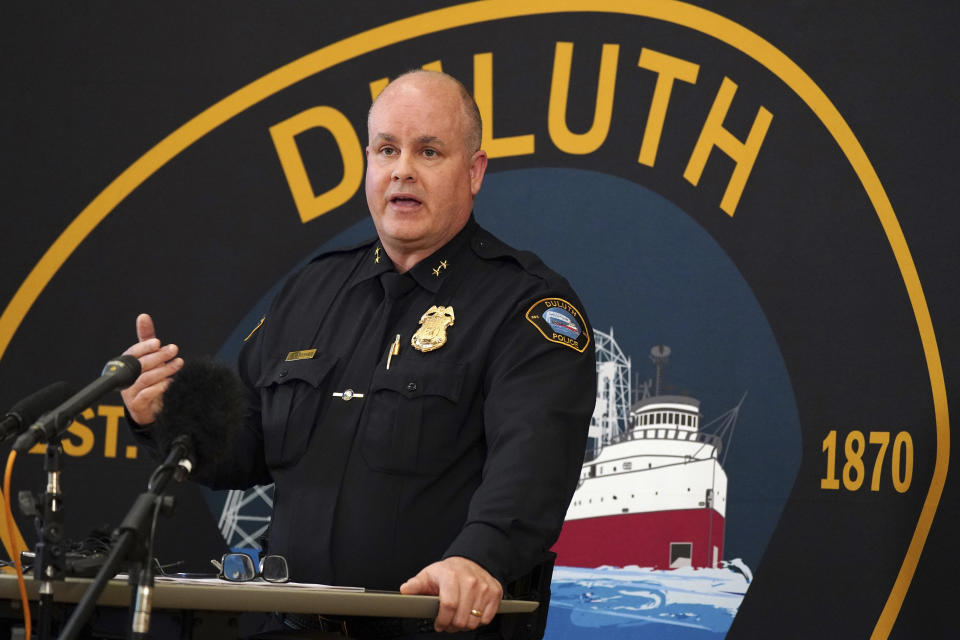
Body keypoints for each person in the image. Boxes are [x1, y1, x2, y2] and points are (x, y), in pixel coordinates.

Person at [122, 70, 595, 638]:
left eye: (429, 151)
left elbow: (533, 462)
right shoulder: (312, 292)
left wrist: (478, 558)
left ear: (473, 173)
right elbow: (243, 445)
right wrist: (161, 414)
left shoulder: (525, 305)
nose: (403, 170)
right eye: (387, 150)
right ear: (368, 163)